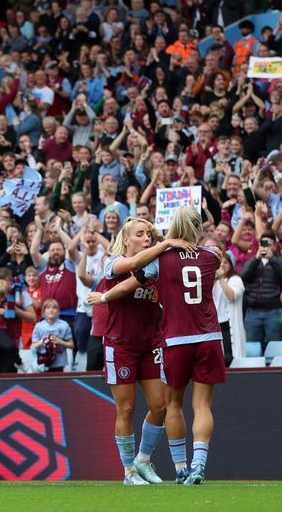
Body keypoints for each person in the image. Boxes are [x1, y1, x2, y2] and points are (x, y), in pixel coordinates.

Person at [93, 207, 223, 485]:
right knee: (126, 408)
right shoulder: (115, 262)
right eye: (140, 234)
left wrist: (166, 242)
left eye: (149, 235)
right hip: (120, 343)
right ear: (126, 239)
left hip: (152, 342)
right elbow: (129, 269)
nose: (146, 238)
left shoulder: (160, 261)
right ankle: (128, 471)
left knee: (161, 405)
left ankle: (143, 460)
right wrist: (166, 242)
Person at [31, 299, 74, 371]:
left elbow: (71, 345)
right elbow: (33, 346)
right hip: (43, 363)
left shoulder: (64, 325)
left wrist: (60, 341)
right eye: (48, 308)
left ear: (58, 311)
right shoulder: (39, 326)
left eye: (54, 308)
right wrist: (42, 341)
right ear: (44, 311)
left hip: (59, 364)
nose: (51, 310)